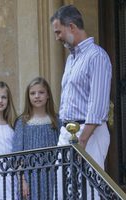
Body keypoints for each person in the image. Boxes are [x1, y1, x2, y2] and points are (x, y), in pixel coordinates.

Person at [50, 5, 112, 199]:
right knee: (62, 190)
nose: (57, 37)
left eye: (58, 32)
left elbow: (98, 105)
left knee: (90, 190)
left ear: (72, 27)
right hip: (67, 131)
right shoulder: (71, 59)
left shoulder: (97, 56)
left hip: (89, 133)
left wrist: (82, 140)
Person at [12, 77, 61, 200]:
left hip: (53, 175)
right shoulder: (22, 122)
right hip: (30, 176)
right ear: (28, 96)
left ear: (48, 95)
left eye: (41, 92)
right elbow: (17, 155)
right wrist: (22, 180)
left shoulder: (57, 120)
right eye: (32, 93)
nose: (37, 96)